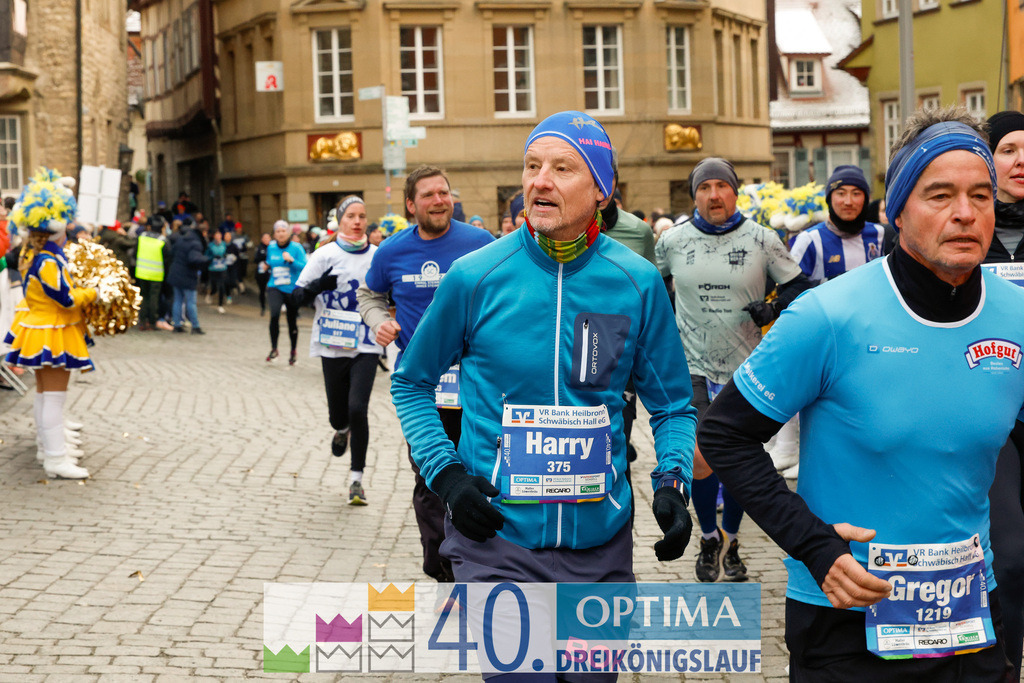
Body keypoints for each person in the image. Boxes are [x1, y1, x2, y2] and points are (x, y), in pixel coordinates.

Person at [698, 106, 1020, 680]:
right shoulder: (828, 314)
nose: (966, 214)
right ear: (897, 211)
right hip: (845, 619)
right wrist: (812, 543)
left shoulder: (1016, 316)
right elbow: (724, 435)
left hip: (970, 617)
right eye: (940, 195)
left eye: (981, 195)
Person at [389, 111, 696, 619]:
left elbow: (673, 407)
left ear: (602, 188)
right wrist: (448, 477)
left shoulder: (636, 281)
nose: (540, 181)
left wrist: (672, 482)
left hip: (601, 543)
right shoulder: (476, 276)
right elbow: (411, 383)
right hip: (496, 540)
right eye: (532, 166)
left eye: (562, 168)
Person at [656, 156, 811, 584]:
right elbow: (653, 287)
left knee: (741, 460)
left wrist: (773, 306)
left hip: (747, 368)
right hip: (693, 365)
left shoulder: (762, 239)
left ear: (734, 191)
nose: (713, 195)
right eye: (704, 188)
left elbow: (800, 284)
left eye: (721, 186)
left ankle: (732, 540)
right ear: (695, 196)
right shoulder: (673, 241)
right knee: (702, 460)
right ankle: (708, 538)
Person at [357, 165, 493, 583]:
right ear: (411, 205)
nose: (439, 200)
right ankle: (444, 573)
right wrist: (378, 319)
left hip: (477, 385)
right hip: (423, 389)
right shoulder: (391, 252)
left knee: (481, 474)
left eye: (444, 193)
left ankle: (483, 563)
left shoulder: (480, 243)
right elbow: (369, 293)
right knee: (432, 479)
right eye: (429, 195)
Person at [773, 165, 884, 477]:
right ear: (829, 198)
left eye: (856, 193)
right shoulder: (809, 241)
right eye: (841, 193)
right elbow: (791, 292)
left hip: (874, 342)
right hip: (828, 344)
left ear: (865, 198)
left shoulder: (881, 235)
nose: (848, 201)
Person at [4, 172, 100, 479]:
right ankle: (55, 457)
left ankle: (51, 450)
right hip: (50, 331)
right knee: (53, 397)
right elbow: (66, 298)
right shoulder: (47, 260)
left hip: (45, 328)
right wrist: (95, 291)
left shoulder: (41, 255)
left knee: (47, 395)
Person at [292, 196, 382, 505]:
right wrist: (319, 285)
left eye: (362, 216)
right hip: (331, 344)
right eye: (351, 216)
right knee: (338, 414)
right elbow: (296, 299)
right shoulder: (324, 254)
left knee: (358, 408)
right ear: (340, 221)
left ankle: (357, 480)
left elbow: (391, 292)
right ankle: (340, 429)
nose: (358, 222)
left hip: (366, 343)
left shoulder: (378, 256)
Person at [982, 109, 1024, 678]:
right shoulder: (963, 229)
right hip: (990, 420)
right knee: (1009, 561)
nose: (1023, 160)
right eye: (1011, 148)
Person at [265, 219, 307, 364]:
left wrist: (291, 261)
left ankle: (293, 350)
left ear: (288, 233)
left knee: (291, 320)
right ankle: (274, 348)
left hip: (291, 289)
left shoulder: (296, 248)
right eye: (278, 231)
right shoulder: (271, 247)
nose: (281, 234)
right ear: (274, 234)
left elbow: (305, 267)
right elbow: (270, 262)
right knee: (275, 314)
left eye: (283, 231)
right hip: (274, 286)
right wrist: (266, 266)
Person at [167, 217, 208, 334]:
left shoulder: (181, 239)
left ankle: (177, 324)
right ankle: (195, 326)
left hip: (175, 273)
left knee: (178, 300)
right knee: (190, 302)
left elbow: (172, 252)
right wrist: (206, 260)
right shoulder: (196, 243)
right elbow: (194, 259)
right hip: (187, 276)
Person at [134, 215, 169, 331]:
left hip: (142, 271)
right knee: (154, 297)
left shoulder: (142, 237)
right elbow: (167, 258)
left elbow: (135, 252)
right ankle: (153, 321)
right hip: (156, 273)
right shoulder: (162, 240)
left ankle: (143, 320)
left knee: (144, 296)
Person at [204, 230, 229, 314]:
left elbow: (226, 253)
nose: (218, 237)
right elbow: (206, 255)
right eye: (216, 236)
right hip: (213, 268)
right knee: (214, 286)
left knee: (221, 286)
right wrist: (212, 257)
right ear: (214, 236)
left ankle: (220, 305)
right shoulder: (210, 245)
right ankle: (210, 294)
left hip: (222, 268)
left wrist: (225, 256)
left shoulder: (224, 244)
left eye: (219, 235)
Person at [231, 222, 251, 293]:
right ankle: (241, 285)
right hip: (236, 257)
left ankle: (240, 281)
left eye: (240, 228)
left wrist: (247, 245)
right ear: (236, 229)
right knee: (238, 271)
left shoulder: (245, 236)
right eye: (238, 228)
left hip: (244, 256)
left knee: (243, 271)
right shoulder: (233, 236)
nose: (239, 229)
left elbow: (250, 244)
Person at [254, 232, 271, 315]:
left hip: (271, 272)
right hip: (261, 272)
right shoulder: (259, 248)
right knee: (262, 290)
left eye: (268, 238)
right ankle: (263, 307)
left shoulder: (273, 248)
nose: (266, 240)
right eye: (265, 238)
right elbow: (255, 259)